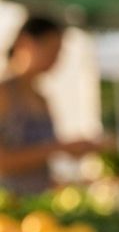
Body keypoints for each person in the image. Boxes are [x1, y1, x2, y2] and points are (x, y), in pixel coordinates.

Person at [0, 15, 99, 195]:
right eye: (51, 50)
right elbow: (3, 163)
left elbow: (40, 167)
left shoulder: (42, 99)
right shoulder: (3, 94)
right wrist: (61, 148)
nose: (55, 59)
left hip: (38, 204)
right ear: (26, 43)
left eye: (59, 52)